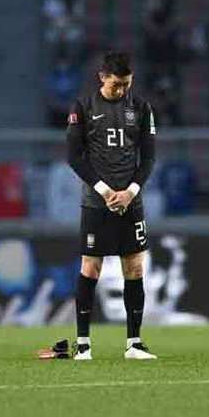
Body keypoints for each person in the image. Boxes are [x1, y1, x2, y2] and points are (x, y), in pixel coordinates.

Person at [66, 52, 157, 360]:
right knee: (91, 267)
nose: (122, 90)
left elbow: (149, 157)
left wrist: (130, 191)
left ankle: (134, 343)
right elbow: (74, 157)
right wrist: (105, 191)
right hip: (97, 201)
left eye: (127, 84)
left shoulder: (141, 107)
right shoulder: (83, 108)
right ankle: (83, 344)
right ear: (102, 78)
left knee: (134, 267)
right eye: (117, 84)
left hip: (131, 201)